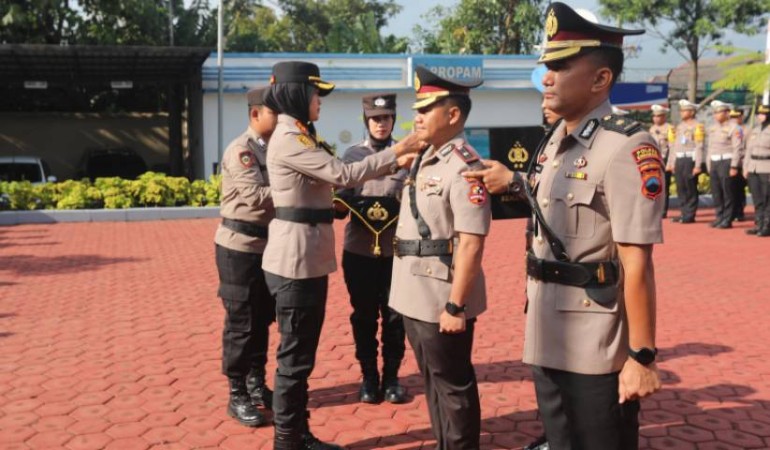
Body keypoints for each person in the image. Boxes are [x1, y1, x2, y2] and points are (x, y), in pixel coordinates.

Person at [472, 3, 664, 448]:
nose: (548, 77)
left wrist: (641, 356)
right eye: (546, 66)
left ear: (601, 79)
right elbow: (551, 203)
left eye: (560, 66)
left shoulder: (627, 146)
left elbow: (637, 264)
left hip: (594, 341)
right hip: (545, 326)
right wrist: (515, 182)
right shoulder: (555, 140)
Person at [260, 61, 421, 450]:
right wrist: (400, 150)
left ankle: (298, 434)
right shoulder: (289, 138)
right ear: (298, 94)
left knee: (300, 358)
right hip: (296, 261)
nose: (319, 102)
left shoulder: (300, 135)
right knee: (294, 359)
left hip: (305, 257)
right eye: (316, 94)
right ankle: (289, 441)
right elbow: (343, 175)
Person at [388, 65, 489, 449]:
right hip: (413, 291)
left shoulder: (464, 165)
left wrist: (455, 305)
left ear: (452, 115)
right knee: (431, 378)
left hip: (441, 296)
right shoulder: (424, 156)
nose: (416, 116)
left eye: (426, 108)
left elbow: (471, 243)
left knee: (453, 385)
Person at [335, 93, 408, 405]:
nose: (382, 123)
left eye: (387, 118)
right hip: (359, 251)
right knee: (364, 316)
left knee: (395, 318)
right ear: (366, 120)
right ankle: (369, 377)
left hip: (396, 252)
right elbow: (340, 202)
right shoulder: (352, 156)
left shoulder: (407, 155)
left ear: (393, 119)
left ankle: (391, 378)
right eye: (376, 118)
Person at [214, 86, 277, 428]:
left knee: (263, 318)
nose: (281, 120)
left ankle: (256, 383)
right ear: (256, 115)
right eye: (275, 113)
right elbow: (254, 196)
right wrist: (299, 186)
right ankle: (236, 393)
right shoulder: (242, 150)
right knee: (240, 322)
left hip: (267, 247)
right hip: (239, 247)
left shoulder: (274, 148)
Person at [705, 100, 743, 229]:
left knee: (728, 191)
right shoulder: (713, 128)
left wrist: (734, 166)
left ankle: (727, 218)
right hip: (715, 161)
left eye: (719, 112)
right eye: (714, 113)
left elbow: (737, 148)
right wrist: (709, 163)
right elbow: (710, 147)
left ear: (727, 113)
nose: (716, 115)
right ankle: (719, 216)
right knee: (716, 191)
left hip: (727, 161)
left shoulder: (735, 128)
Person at [671, 99, 705, 224]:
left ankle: (690, 214)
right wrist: (673, 162)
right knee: (681, 187)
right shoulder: (679, 126)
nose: (681, 113)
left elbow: (699, 146)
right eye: (681, 110)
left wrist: (697, 165)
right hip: (680, 159)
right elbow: (674, 146)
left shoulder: (698, 126)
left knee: (690, 187)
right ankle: (683, 213)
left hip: (690, 159)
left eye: (684, 110)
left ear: (691, 112)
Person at [744, 103, 770, 236]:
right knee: (757, 198)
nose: (760, 116)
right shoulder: (755, 130)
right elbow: (748, 149)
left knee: (767, 198)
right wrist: (746, 167)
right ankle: (759, 224)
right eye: (759, 114)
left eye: (763, 114)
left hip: (766, 167)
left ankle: (767, 225)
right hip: (753, 167)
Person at [649, 104, 676, 218]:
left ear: (664, 116)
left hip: (664, 159)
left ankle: (663, 211)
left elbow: (673, 147)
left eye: (659, 116)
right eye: (654, 116)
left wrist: (670, 163)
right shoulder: (652, 129)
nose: (656, 118)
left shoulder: (670, 128)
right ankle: (654, 209)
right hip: (653, 159)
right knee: (652, 185)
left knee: (664, 186)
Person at [730, 108, 748, 221]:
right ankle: (731, 212)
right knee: (730, 189)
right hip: (730, 162)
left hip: (742, 163)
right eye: (732, 117)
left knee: (739, 190)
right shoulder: (730, 129)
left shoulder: (747, 130)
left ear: (741, 117)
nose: (734, 119)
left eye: (736, 117)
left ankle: (739, 212)